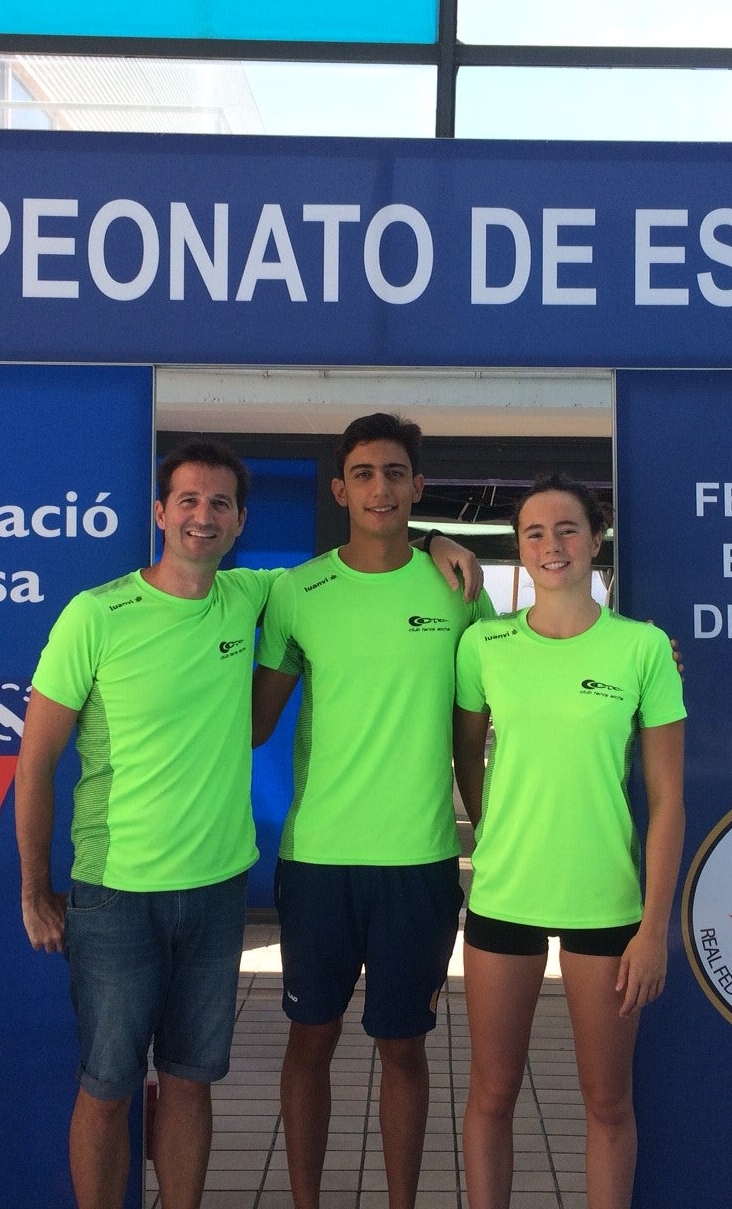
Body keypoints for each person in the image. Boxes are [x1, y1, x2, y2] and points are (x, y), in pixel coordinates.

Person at [16, 438, 478, 1209]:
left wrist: (435, 538)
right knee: (108, 1087)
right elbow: (34, 763)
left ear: (239, 524)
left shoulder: (260, 594)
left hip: (217, 889)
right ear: (161, 513)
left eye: (220, 504)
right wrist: (35, 887)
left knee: (194, 1083)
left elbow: (370, 564)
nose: (204, 516)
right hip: (115, 892)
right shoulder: (94, 615)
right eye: (188, 501)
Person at [252, 413, 494, 1209]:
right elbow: (253, 719)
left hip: (418, 861)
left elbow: (507, 698)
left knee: (404, 1049)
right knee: (309, 1043)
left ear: (417, 488)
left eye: (395, 473)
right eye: (363, 474)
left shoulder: (459, 588)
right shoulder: (296, 591)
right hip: (318, 859)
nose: (379, 488)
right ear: (339, 489)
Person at [451, 474, 686, 1209]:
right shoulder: (483, 644)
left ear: (595, 540)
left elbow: (669, 799)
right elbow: (465, 758)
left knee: (607, 1102)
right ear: (519, 551)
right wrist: (501, 830)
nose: (552, 545)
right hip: (503, 895)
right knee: (491, 1094)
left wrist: (653, 928)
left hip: (605, 903)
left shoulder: (642, 648)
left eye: (567, 529)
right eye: (534, 533)